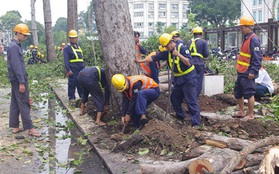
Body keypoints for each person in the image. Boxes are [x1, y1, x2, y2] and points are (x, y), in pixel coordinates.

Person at [135, 33, 201, 127]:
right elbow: (153, 58)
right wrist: (140, 61)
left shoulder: (182, 48)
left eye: (166, 46)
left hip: (188, 78)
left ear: (171, 42)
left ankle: (196, 123)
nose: (166, 48)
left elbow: (189, 63)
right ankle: (180, 116)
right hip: (178, 79)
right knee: (174, 97)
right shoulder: (167, 53)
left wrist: (178, 55)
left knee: (190, 100)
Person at [7, 23, 41, 137]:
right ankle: (30, 128)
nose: (26, 38)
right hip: (18, 79)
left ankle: (15, 126)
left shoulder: (15, 46)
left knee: (15, 102)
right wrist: (21, 82)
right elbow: (17, 66)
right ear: (18, 33)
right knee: (24, 102)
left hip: (15, 79)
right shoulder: (14, 47)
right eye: (24, 35)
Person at [233, 16, 262, 121]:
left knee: (249, 93)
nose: (241, 30)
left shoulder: (253, 39)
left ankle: (250, 114)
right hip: (242, 70)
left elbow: (257, 57)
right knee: (238, 92)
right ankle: (241, 111)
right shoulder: (246, 38)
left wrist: (253, 71)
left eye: (243, 28)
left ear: (249, 27)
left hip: (248, 71)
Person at [186, 26, 210, 97]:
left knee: (190, 80)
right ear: (201, 34)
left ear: (193, 34)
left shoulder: (189, 42)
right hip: (199, 64)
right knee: (198, 82)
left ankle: (188, 96)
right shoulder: (203, 42)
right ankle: (195, 97)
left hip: (189, 64)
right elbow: (206, 54)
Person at [63, 29, 85, 102]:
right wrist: (68, 69)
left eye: (75, 37)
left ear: (77, 38)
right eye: (72, 38)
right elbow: (66, 60)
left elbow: (81, 58)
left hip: (81, 68)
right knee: (72, 83)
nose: (73, 39)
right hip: (73, 69)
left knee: (80, 83)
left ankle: (82, 97)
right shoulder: (67, 48)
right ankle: (71, 97)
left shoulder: (79, 47)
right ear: (69, 38)